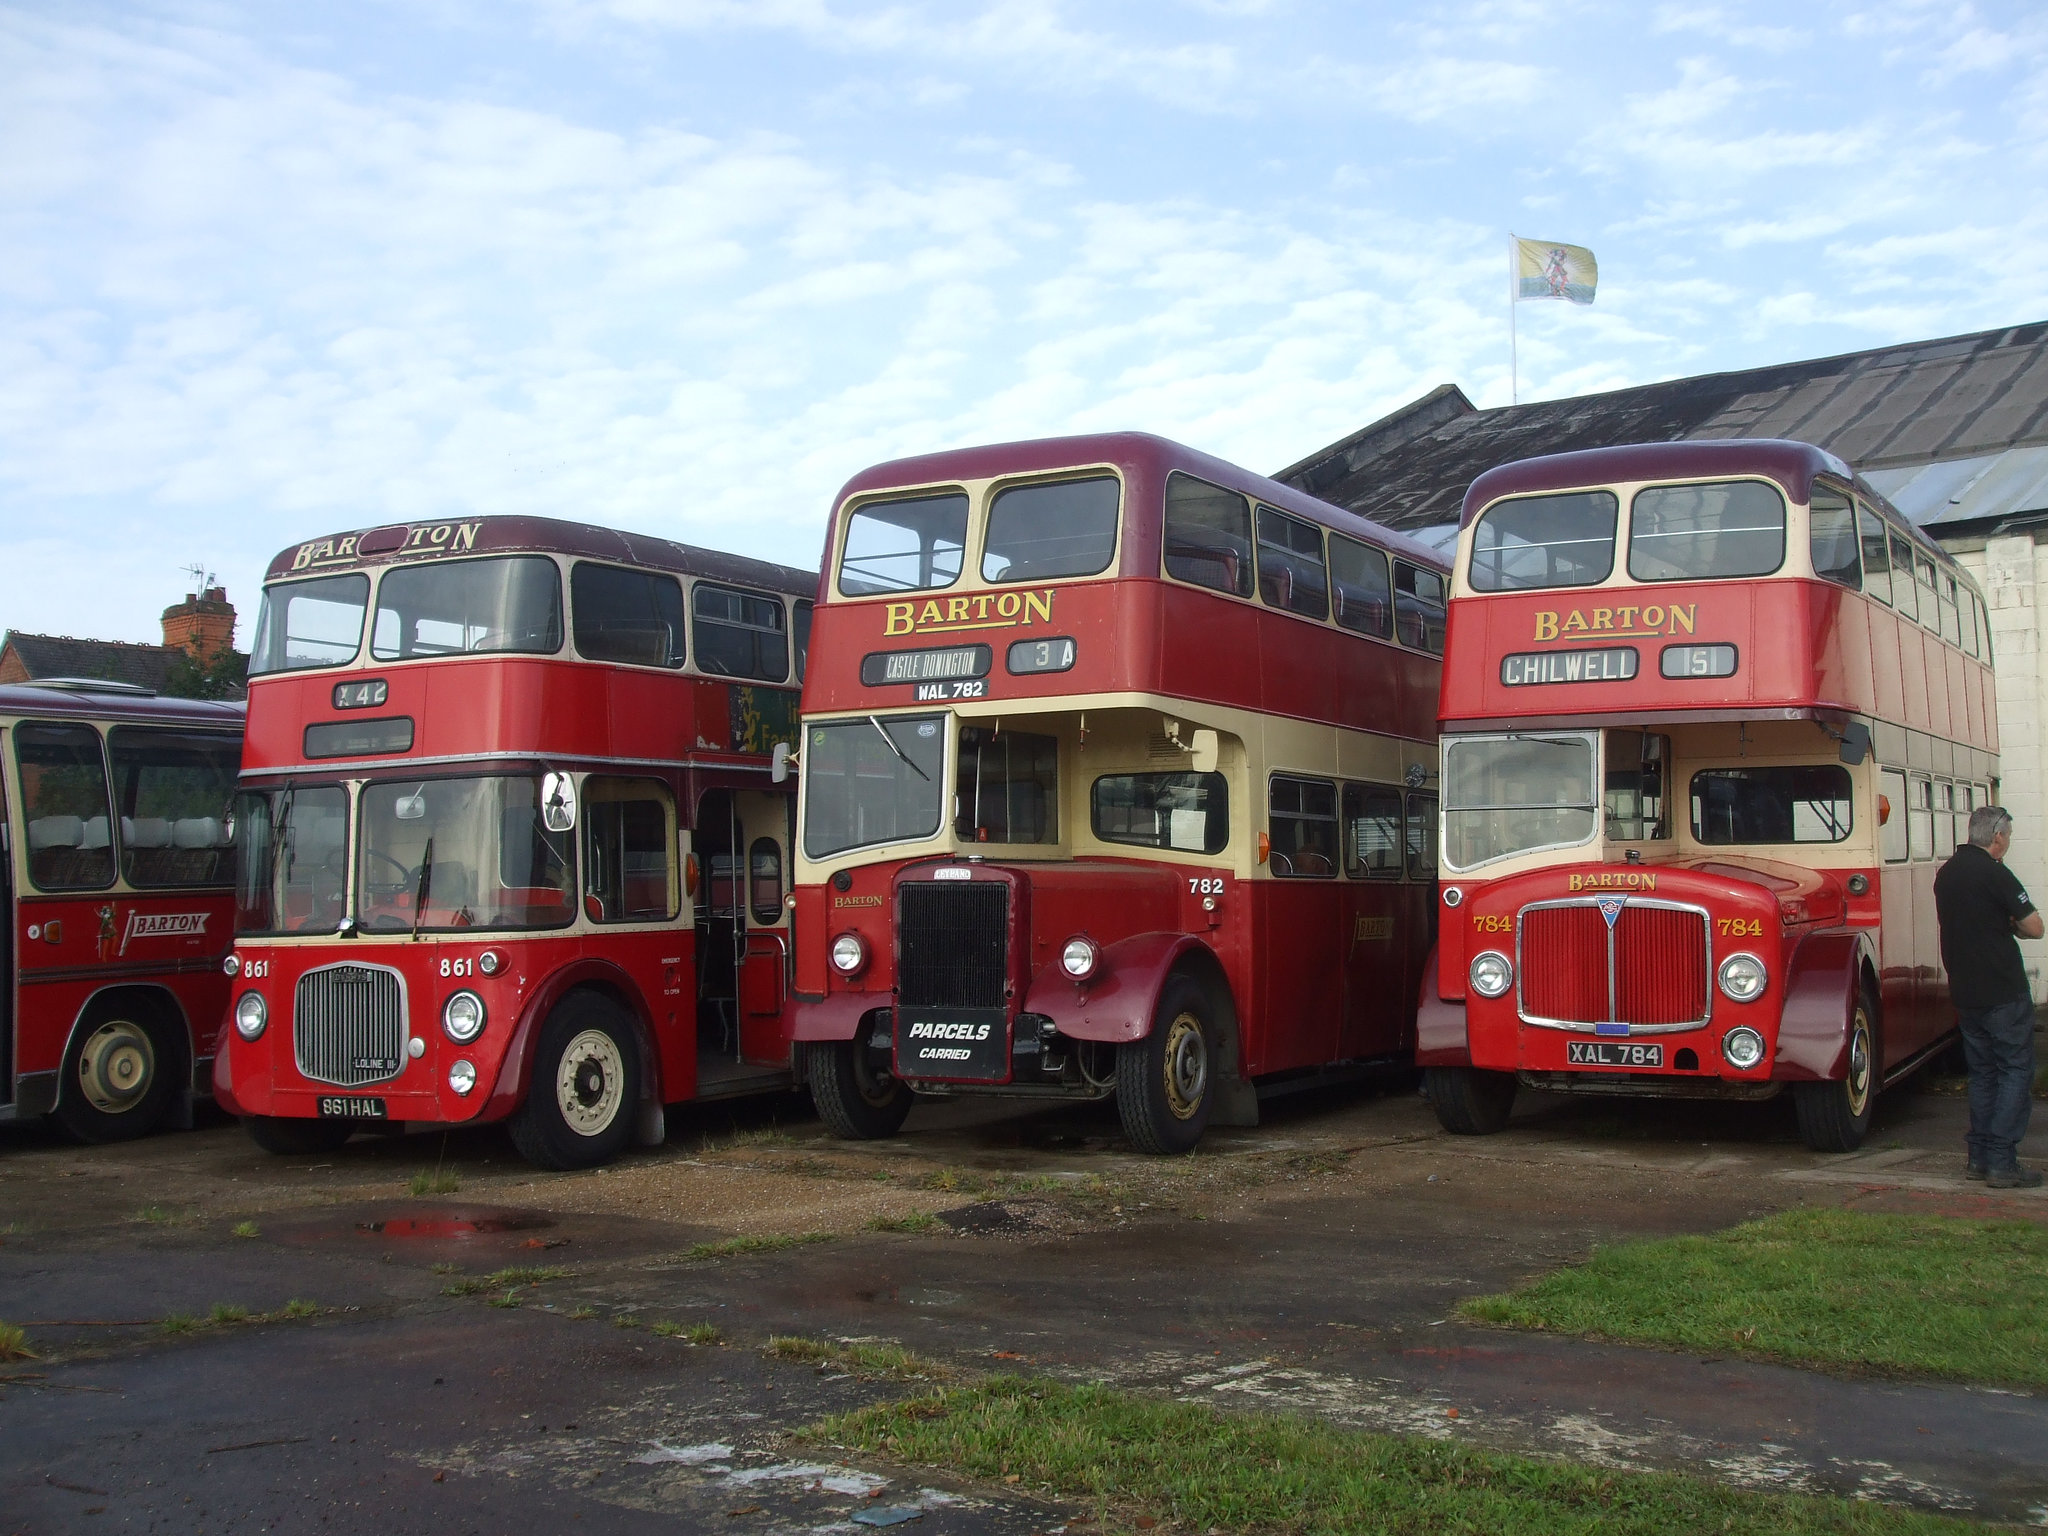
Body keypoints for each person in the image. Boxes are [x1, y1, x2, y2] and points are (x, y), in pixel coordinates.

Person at [1933, 805, 2043, 1189]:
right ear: (1997, 836)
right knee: (2015, 1070)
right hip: (2003, 990)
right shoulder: (1995, 873)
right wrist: (2011, 924)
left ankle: (1978, 1158)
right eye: (2008, 836)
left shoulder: (1946, 874)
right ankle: (2001, 1161)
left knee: (1982, 1074)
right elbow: (2034, 925)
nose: (2008, 843)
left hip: (1965, 990)